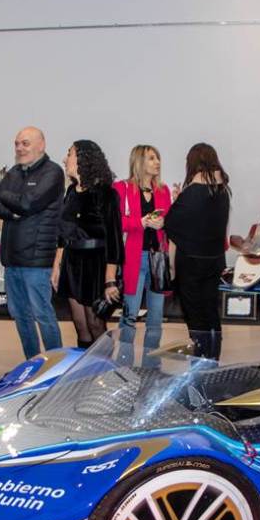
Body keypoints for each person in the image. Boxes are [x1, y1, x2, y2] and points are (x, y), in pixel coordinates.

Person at [0, 127, 64, 359]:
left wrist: (8, 198)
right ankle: (32, 364)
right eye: (17, 144)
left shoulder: (53, 172)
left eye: (25, 143)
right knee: (20, 315)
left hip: (36, 260)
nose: (20, 148)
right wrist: (13, 212)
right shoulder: (14, 172)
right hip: (12, 259)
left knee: (42, 314)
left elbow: (29, 203)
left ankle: (56, 366)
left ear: (41, 145)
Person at [164, 143, 230, 360]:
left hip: (191, 263)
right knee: (212, 312)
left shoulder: (192, 191)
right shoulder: (223, 191)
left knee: (195, 316)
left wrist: (177, 200)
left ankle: (199, 361)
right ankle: (213, 359)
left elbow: (172, 224)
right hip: (214, 261)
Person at [54, 140, 122, 348]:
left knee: (95, 324)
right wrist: (56, 266)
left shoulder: (106, 194)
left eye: (70, 154)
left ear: (84, 158)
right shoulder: (71, 192)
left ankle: (105, 373)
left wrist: (110, 280)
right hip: (71, 263)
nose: (65, 159)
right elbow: (63, 234)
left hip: (95, 264)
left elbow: (115, 240)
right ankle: (84, 375)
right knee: (80, 325)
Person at [113, 145, 172, 364]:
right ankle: (123, 365)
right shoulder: (122, 188)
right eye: (151, 158)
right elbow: (115, 222)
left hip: (158, 259)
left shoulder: (163, 190)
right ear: (139, 161)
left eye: (157, 158)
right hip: (133, 259)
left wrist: (163, 223)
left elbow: (170, 223)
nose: (157, 162)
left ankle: (151, 367)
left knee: (155, 319)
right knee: (129, 317)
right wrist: (141, 222)